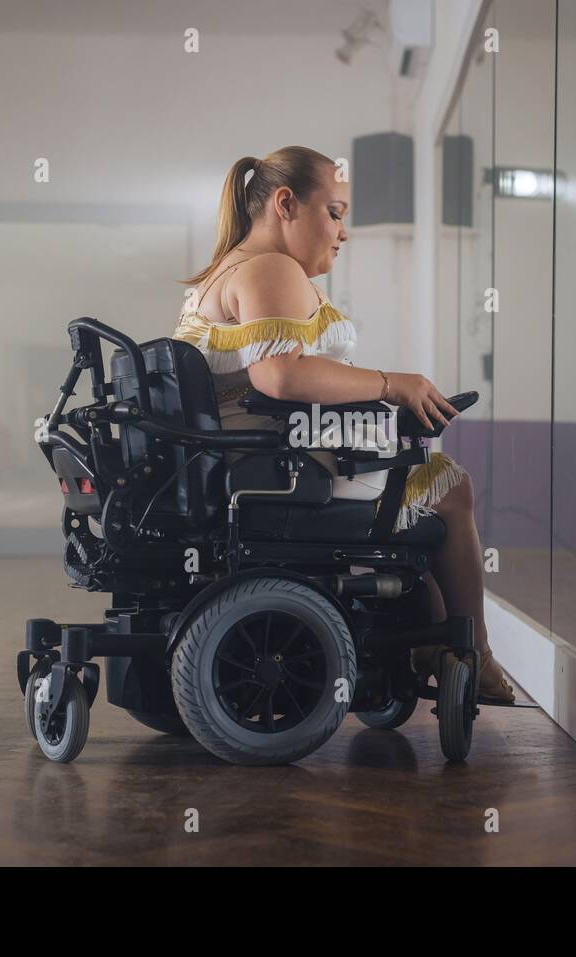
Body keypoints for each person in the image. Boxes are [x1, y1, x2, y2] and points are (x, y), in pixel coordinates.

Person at [171, 145, 515, 704]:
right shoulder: (269, 268)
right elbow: (280, 377)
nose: (343, 231)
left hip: (254, 458)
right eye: (335, 212)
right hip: (281, 466)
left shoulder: (221, 272)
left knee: (413, 475)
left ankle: (427, 641)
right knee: (450, 485)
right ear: (285, 203)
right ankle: (471, 652)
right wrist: (391, 384)